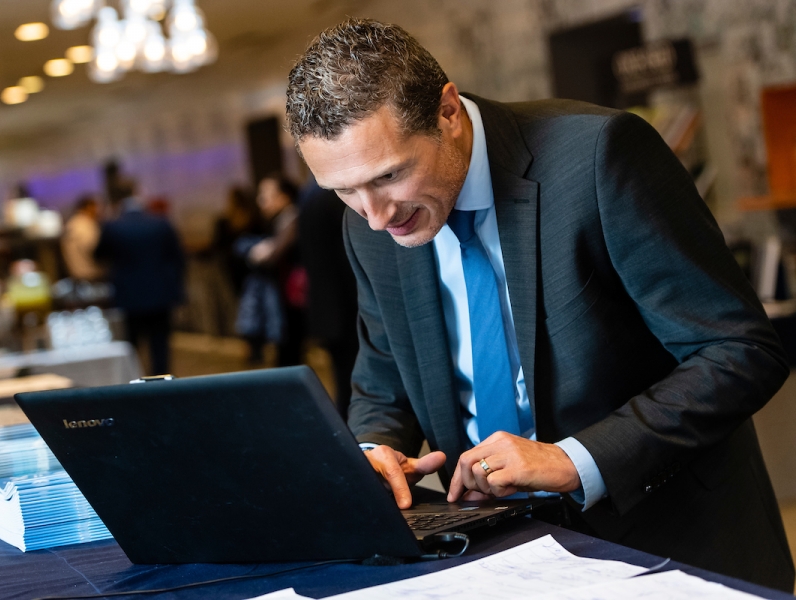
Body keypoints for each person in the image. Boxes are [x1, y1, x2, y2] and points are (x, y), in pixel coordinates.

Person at [285, 18, 794, 591]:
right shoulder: (368, 227)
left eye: (391, 175)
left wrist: (577, 459)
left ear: (447, 112)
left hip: (666, 539)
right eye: (344, 191)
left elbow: (740, 349)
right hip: (497, 551)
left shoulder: (600, 155)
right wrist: (374, 451)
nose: (376, 217)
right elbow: (383, 381)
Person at [95, 179, 185, 375]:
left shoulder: (112, 226)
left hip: (129, 296)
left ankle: (134, 384)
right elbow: (178, 260)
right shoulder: (160, 222)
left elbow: (98, 255)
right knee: (160, 346)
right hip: (160, 293)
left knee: (132, 346)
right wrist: (176, 289)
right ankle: (162, 384)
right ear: (138, 194)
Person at [299, 176, 359, 421]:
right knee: (354, 386)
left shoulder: (310, 194)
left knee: (345, 382)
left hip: (327, 310)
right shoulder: (334, 195)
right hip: (346, 309)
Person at [235, 175, 304, 366]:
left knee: (290, 352)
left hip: (291, 297)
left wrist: (256, 253)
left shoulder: (292, 219)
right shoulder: (281, 220)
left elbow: (272, 255)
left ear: (284, 196)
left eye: (265, 195)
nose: (261, 201)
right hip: (287, 297)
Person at [61, 194, 104, 282]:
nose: (98, 211)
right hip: (91, 274)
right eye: (96, 207)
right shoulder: (85, 225)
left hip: (76, 273)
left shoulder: (72, 223)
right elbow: (94, 249)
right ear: (89, 207)